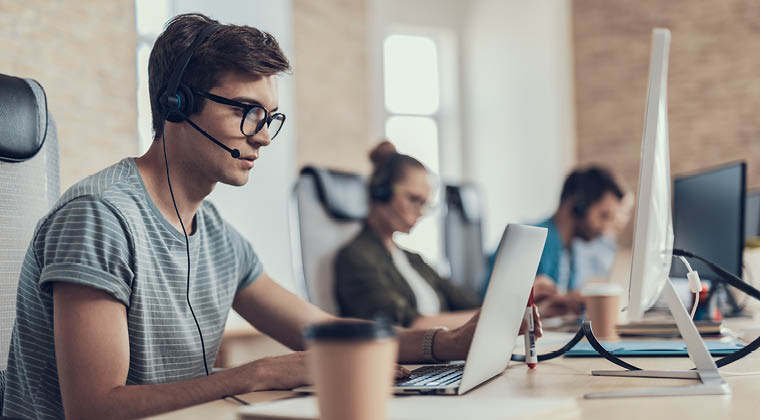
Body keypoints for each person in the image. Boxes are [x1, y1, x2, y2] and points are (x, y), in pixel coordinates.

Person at [0, 14, 499, 420]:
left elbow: (320, 331)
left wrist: (446, 343)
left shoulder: (214, 232)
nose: (261, 135)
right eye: (246, 111)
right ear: (178, 106)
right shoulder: (100, 217)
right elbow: (94, 409)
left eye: (269, 118)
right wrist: (254, 374)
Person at [335, 141, 483, 329]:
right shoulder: (356, 257)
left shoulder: (413, 260)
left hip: (441, 354)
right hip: (406, 356)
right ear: (381, 191)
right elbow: (408, 326)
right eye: (414, 199)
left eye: (424, 204)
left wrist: (523, 298)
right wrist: (490, 319)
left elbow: (470, 304)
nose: (420, 212)